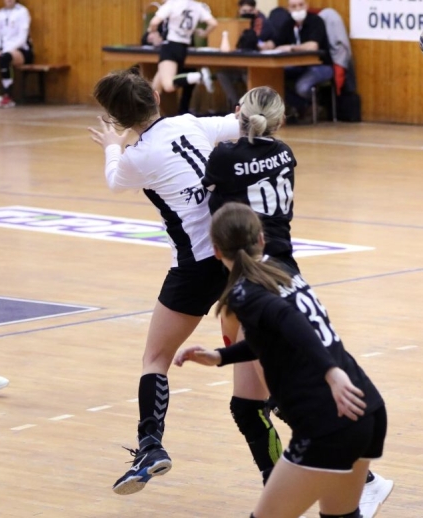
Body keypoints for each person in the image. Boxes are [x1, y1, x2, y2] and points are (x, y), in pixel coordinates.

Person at [202, 85, 393, 517]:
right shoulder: (285, 153)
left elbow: (290, 326)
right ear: (281, 122)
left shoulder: (225, 158)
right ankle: (306, 480)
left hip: (259, 273)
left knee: (260, 398)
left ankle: (321, 478)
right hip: (284, 266)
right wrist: (221, 356)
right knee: (249, 403)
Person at [174, 202, 387, 518]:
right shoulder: (281, 270)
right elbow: (275, 334)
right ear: (261, 239)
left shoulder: (244, 293)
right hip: (365, 406)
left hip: (328, 420)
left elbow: (289, 320)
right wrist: (221, 356)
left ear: (216, 251)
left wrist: (331, 372)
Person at [87, 66, 241, 495]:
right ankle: (311, 426)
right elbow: (240, 122)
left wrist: (114, 146)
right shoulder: (190, 123)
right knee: (253, 358)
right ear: (156, 97)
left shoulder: (136, 157)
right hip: (238, 258)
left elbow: (114, 181)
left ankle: (150, 446)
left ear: (117, 118)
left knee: (155, 358)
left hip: (196, 267)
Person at [258, 0, 332, 123]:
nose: (298, 9)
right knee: (272, 80)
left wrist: (291, 48)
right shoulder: (288, 24)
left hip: (320, 65)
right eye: (294, 6)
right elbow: (276, 42)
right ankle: (304, 106)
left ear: (306, 6)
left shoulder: (316, 21)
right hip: (297, 66)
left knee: (302, 87)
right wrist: (264, 46)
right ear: (289, 9)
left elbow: (313, 46)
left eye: (301, 5)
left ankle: (313, 105)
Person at [148, 0, 218, 95]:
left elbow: (154, 22)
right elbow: (213, 23)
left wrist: (154, 32)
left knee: (168, 85)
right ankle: (149, 104)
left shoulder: (172, 4)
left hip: (170, 46)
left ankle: (199, 76)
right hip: (183, 48)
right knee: (156, 87)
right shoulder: (198, 6)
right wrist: (204, 33)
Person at [0, 0, 32, 108]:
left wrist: (4, 51)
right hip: (2, 49)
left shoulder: (22, 11)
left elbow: (22, 39)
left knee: (5, 58)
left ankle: (8, 95)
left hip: (20, 50)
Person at [217, 0, 268, 109]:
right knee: (222, 74)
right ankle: (237, 105)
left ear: (255, 10)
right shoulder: (236, 24)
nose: (247, 13)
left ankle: (253, 108)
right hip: (239, 64)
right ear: (239, 10)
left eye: (250, 11)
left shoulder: (263, 23)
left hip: (257, 66)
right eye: (244, 11)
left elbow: (270, 41)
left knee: (248, 75)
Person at [141, 17, 196, 115]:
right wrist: (151, 37)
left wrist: (162, 39)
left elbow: (189, 40)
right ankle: (147, 114)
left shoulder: (180, 21)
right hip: (168, 55)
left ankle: (197, 77)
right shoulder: (162, 20)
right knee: (156, 87)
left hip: (171, 54)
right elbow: (145, 38)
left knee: (167, 85)